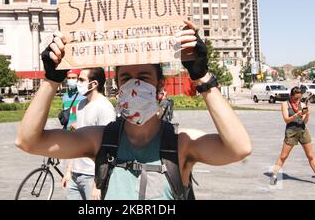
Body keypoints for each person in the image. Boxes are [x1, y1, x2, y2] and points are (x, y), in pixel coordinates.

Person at [16, 20, 252, 200]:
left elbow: (239, 148)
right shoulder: (101, 140)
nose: (134, 84)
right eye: (126, 77)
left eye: (144, 77)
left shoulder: (180, 144)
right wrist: (51, 80)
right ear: (118, 86)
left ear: (159, 84)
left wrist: (202, 78)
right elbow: (28, 142)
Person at [60, 68, 116, 200]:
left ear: (94, 84)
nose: (77, 82)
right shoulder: (80, 105)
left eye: (81, 80)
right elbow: (77, 141)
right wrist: (69, 170)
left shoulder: (105, 108)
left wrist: (97, 185)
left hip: (92, 176)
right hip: (75, 174)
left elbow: (107, 149)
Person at [270, 87, 315, 186]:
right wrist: (296, 115)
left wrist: (307, 115)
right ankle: (274, 176)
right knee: (283, 156)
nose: (297, 100)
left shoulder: (302, 104)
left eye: (299, 98)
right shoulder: (285, 104)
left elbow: (304, 122)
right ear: (291, 96)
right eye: (295, 98)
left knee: (310, 155)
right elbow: (286, 119)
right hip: (291, 131)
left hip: (302, 130)